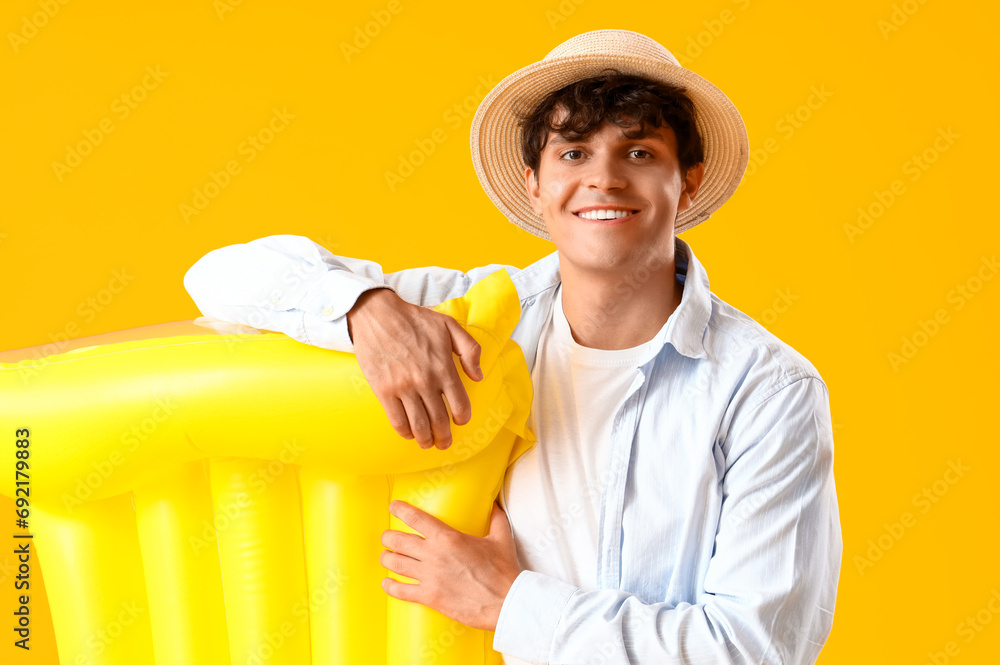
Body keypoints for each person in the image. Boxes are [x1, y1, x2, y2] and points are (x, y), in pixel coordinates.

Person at [184, 29, 842, 665]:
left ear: (687, 180)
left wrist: (510, 603)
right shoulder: (473, 319)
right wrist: (364, 308)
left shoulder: (767, 390)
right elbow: (217, 277)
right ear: (535, 182)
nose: (604, 178)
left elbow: (758, 649)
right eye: (573, 152)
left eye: (639, 152)